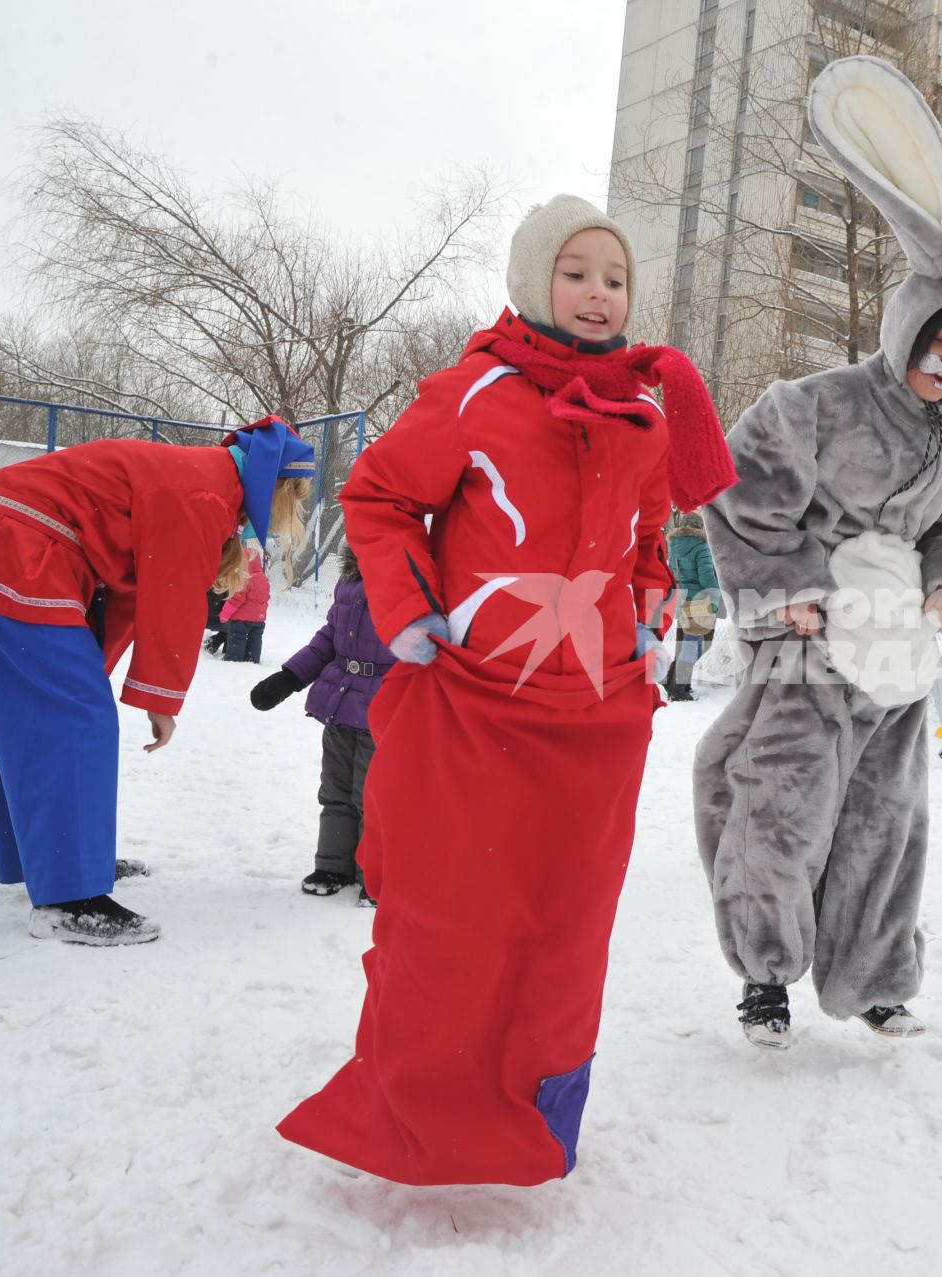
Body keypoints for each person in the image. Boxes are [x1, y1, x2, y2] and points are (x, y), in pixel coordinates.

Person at [277, 195, 735, 1187]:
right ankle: (415, 1114)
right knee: (451, 920)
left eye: (614, 279)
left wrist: (650, 616)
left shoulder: (647, 411)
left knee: (566, 931)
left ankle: (540, 1117)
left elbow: (652, 534)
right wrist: (402, 610)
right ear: (536, 282)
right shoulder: (476, 389)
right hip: (476, 703)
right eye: (576, 272)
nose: (598, 293)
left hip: (599, 716)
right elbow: (380, 497)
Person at [695, 57, 942, 1048]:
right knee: (775, 808)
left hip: (897, 660)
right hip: (807, 646)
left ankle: (876, 975)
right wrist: (786, 591)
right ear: (907, 323)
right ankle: (765, 974)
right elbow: (740, 501)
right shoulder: (810, 405)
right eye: (936, 340)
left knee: (887, 821)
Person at [0, 418, 314, 944]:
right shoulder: (205, 491)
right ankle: (68, 896)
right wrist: (160, 699)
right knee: (75, 721)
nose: (286, 515)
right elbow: (172, 594)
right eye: (291, 500)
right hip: (27, 556)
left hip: (11, 549)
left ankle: (59, 858)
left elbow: (130, 591)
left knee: (29, 717)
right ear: (274, 483)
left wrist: (105, 674)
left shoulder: (204, 478)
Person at [247, 543, 395, 905]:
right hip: (341, 705)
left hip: (386, 710)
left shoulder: (410, 582)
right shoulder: (350, 578)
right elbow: (330, 637)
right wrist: (289, 678)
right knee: (335, 792)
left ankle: (375, 876)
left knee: (373, 800)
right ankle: (333, 865)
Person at [664, 509, 723, 701]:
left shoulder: (674, 545)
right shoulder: (701, 546)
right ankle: (678, 689)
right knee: (696, 644)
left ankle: (676, 682)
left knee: (685, 643)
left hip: (683, 599)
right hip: (700, 600)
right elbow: (707, 577)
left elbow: (672, 573)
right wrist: (715, 600)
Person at [218, 539, 270, 662]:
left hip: (242, 619)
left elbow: (236, 599)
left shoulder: (245, 578)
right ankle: (252, 659)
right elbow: (265, 598)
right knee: (255, 639)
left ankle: (234, 660)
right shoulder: (264, 579)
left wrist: (225, 615)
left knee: (237, 637)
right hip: (259, 620)